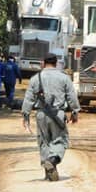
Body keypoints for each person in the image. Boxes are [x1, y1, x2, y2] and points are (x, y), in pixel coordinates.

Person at [21, 52, 80, 181]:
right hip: (58, 114)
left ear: (43, 62)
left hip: (41, 114)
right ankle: (52, 161)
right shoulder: (64, 78)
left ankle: (48, 172)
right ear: (56, 63)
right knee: (61, 140)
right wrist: (75, 112)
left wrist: (25, 116)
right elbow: (72, 97)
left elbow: (28, 99)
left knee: (44, 141)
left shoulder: (36, 78)